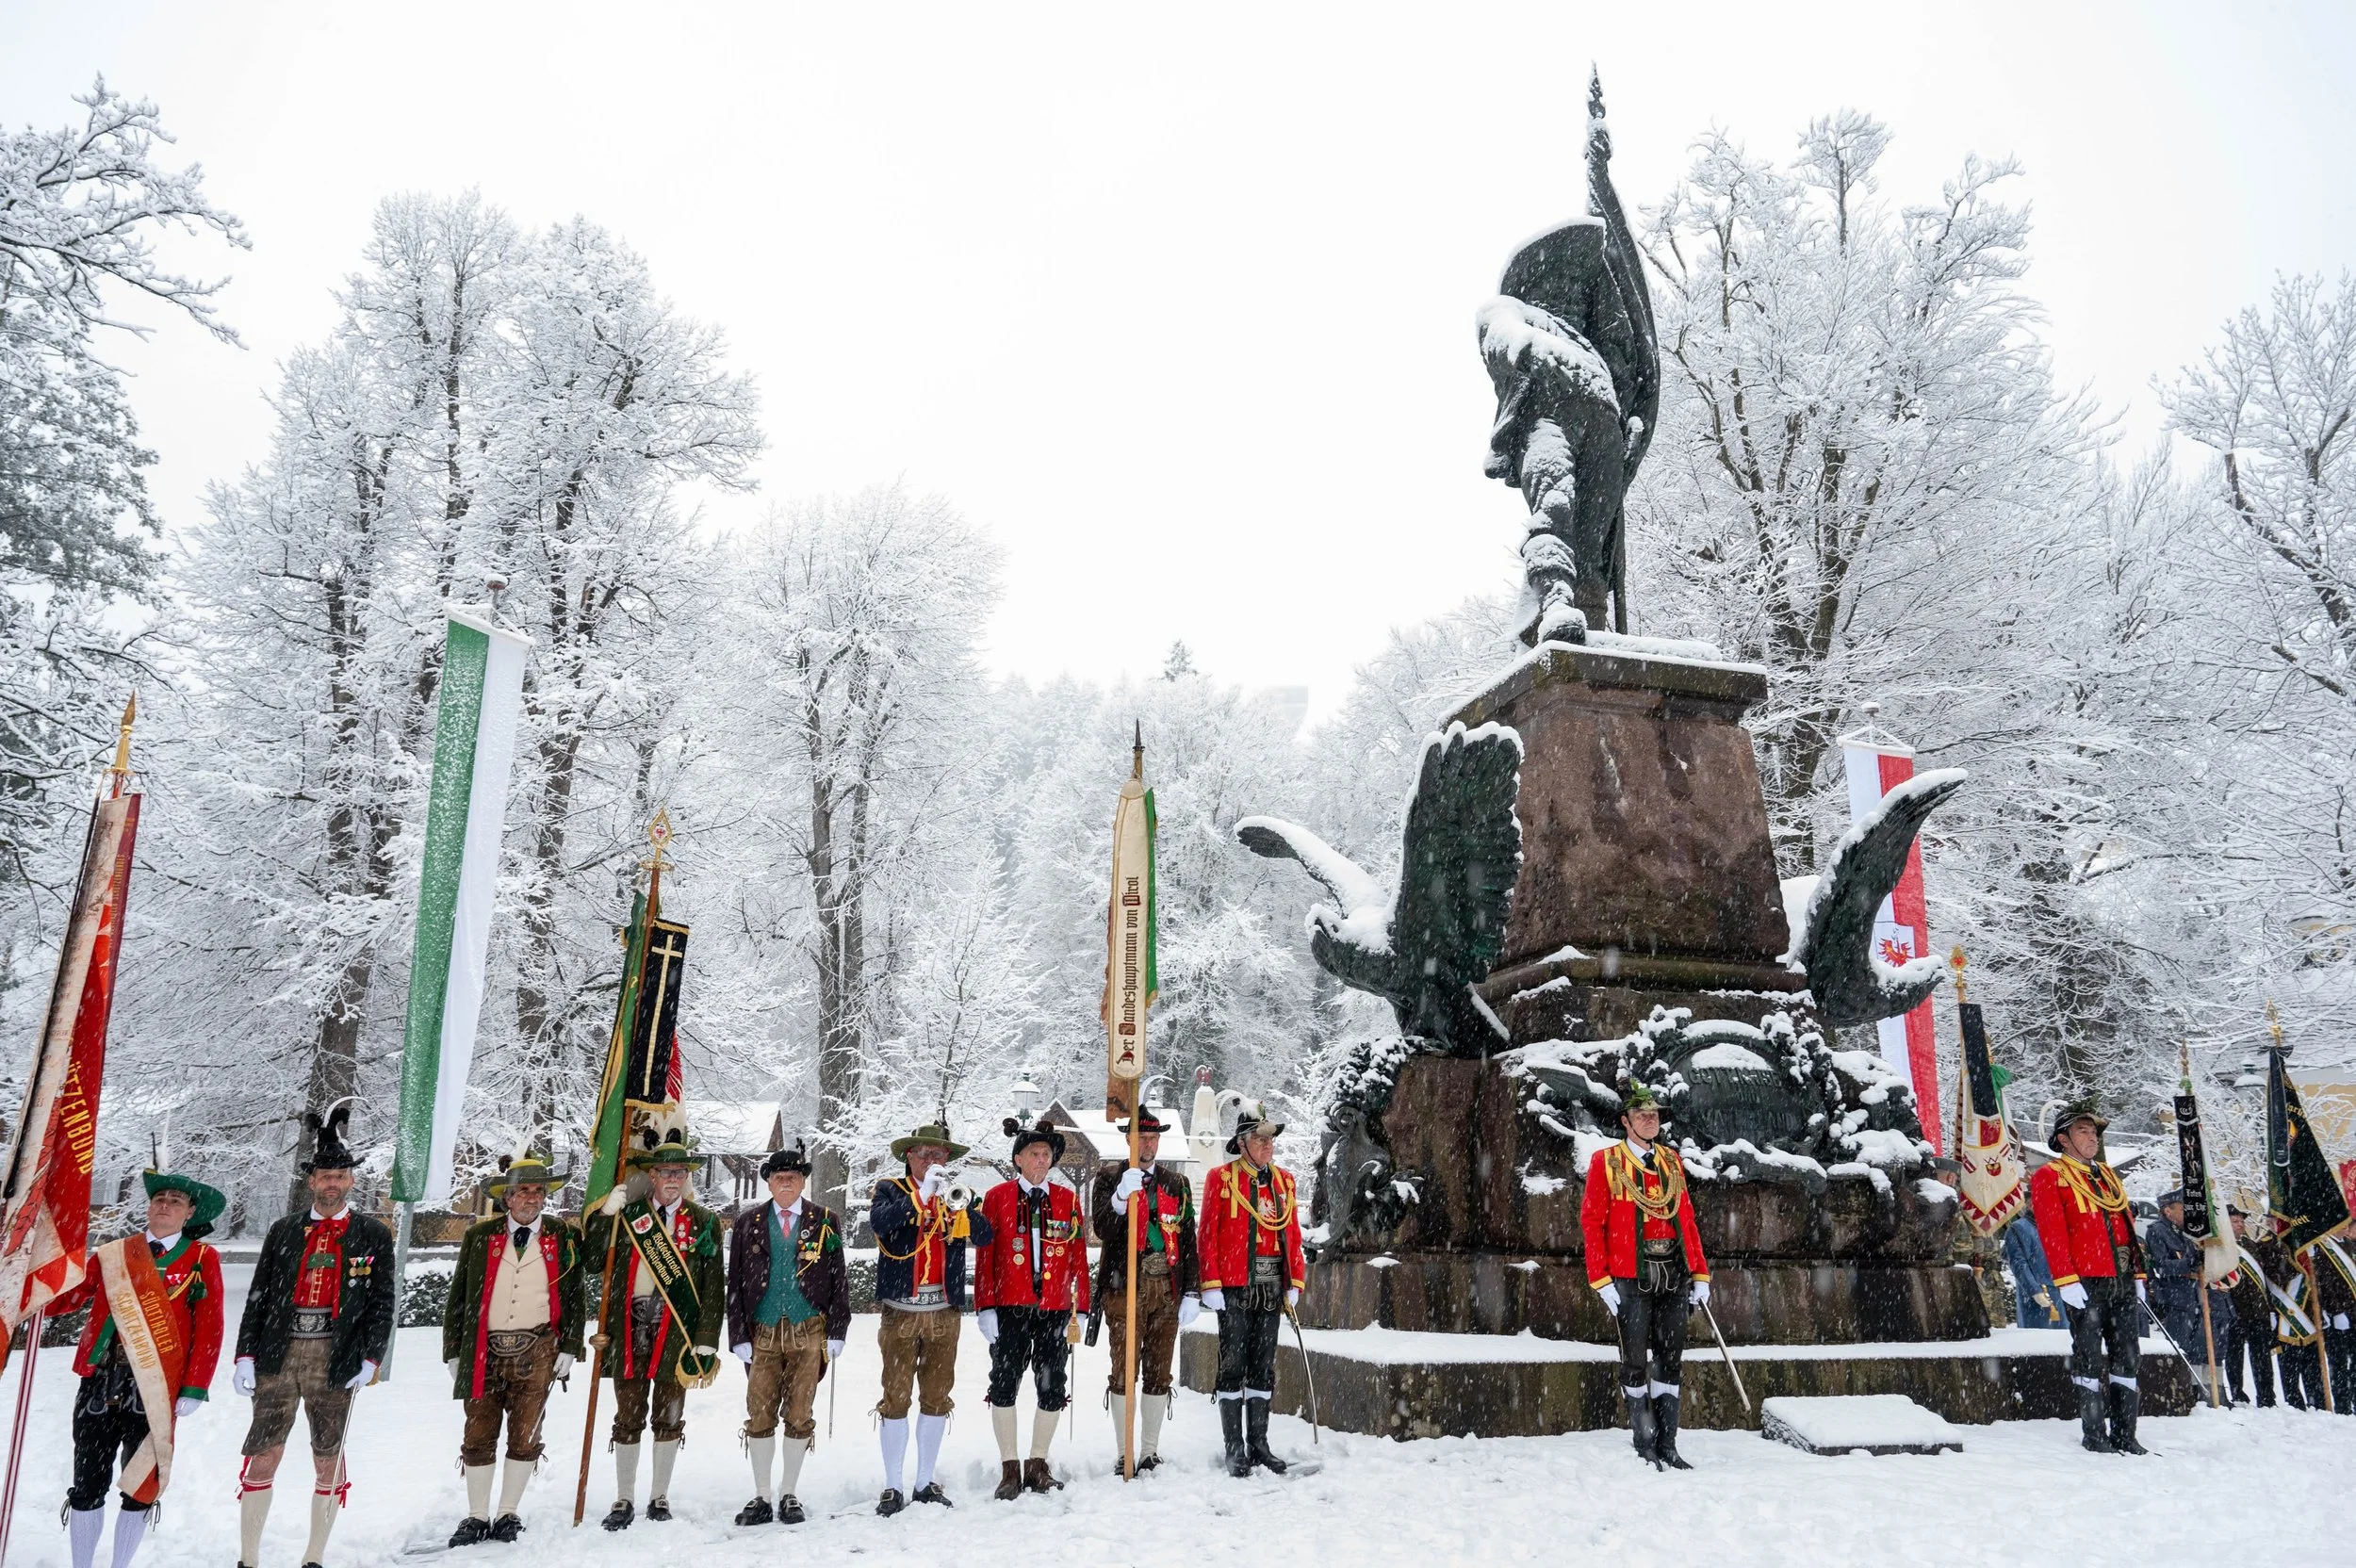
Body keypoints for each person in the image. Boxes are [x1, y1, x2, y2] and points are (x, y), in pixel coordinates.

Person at [233, 1103, 396, 1568]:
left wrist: (371, 1357)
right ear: (311, 1181)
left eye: (339, 1175)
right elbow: (260, 1295)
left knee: (328, 1455)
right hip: (278, 1353)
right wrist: (245, 1354)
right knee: (265, 1452)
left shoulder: (372, 1234)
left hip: (336, 1356)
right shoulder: (284, 1230)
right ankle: (248, 1558)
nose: (331, 1183)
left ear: (351, 1181)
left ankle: (314, 1556)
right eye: (324, 1175)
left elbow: (383, 1301)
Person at [51, 1168, 226, 1568]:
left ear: (190, 1213)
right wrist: (30, 1287)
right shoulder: (113, 1254)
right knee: (87, 1484)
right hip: (100, 1381)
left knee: (141, 1486)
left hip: (157, 1388)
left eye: (175, 1201)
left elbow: (209, 1328)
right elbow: (69, 1297)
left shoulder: (201, 1259)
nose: (164, 1205)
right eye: (159, 1199)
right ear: (148, 1207)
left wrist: (195, 1386)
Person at [438, 1152, 585, 1547]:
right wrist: (453, 1349)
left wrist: (570, 1345)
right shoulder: (479, 1236)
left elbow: (575, 1296)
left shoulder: (563, 1234)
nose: (532, 1198)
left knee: (525, 1433)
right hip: (483, 1349)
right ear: (507, 1197)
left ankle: (507, 1512)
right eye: (523, 1191)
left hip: (538, 1348)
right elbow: (459, 1296)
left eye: (538, 1191)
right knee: (478, 1431)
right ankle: (476, 1515)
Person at [584, 1128, 725, 1530]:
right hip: (628, 1330)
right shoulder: (628, 1216)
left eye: (680, 1172)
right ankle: (624, 1497)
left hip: (676, 1332)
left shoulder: (704, 1222)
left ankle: (659, 1496)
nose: (673, 1179)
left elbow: (713, 1287)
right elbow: (593, 1262)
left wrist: (706, 1340)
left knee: (669, 1416)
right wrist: (604, 1217)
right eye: (666, 1172)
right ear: (653, 1175)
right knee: (628, 1416)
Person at [1579, 1083, 1710, 1471]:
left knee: (1670, 1359)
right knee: (1634, 1361)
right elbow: (1592, 1222)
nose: (1650, 1120)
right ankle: (1644, 1441)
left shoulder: (1671, 1160)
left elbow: (1686, 1218)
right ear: (1626, 1121)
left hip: (1674, 1273)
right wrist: (1600, 1279)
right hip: (1629, 1273)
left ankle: (1668, 1443)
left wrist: (1700, 1273)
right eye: (1641, 1115)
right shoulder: (1607, 1161)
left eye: (1654, 1115)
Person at [867, 1121, 990, 1514]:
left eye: (939, 1155)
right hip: (901, 1311)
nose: (932, 1160)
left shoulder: (957, 1193)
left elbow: (985, 1236)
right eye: (925, 1154)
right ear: (910, 1157)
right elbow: (880, 1223)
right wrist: (921, 1196)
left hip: (943, 1312)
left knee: (937, 1397)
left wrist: (962, 1208)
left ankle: (924, 1481)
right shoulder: (890, 1189)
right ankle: (892, 1485)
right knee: (896, 1396)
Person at [724, 1141, 848, 1526]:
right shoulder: (748, 1222)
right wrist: (738, 1334)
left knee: (799, 1411)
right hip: (761, 1331)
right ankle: (762, 1495)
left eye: (793, 1177)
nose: (786, 1183)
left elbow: (838, 1277)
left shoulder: (824, 1220)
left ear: (803, 1181)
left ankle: (789, 1493)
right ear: (769, 1182)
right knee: (759, 1412)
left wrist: (838, 1329)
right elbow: (735, 1282)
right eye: (779, 1177)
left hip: (808, 1330)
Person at [973, 1118, 1089, 1499]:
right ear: (1018, 1159)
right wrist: (985, 1306)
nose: (1041, 1160)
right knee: (1004, 1384)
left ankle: (1038, 1464)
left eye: (1046, 1154)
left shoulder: (1068, 1200)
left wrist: (1081, 1307)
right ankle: (1009, 1468)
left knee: (1053, 1385)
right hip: (1010, 1307)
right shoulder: (997, 1198)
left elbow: (1077, 1255)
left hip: (1055, 1309)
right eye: (1034, 1153)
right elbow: (986, 1257)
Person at [2027, 1100, 2149, 1454]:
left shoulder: (2108, 1175)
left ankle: (2125, 1433)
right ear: (2063, 1139)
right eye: (2083, 1131)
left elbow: (2126, 1227)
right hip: (2085, 1282)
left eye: (2094, 1132)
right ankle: (2094, 1434)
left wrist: (2138, 1272)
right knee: (2089, 1358)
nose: (2093, 1137)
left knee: (2128, 1355)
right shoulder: (2049, 1176)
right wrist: (2065, 1279)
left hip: (2121, 1278)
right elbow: (2052, 1232)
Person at [1196, 1101, 1305, 1478]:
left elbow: (1293, 1235)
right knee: (1232, 1366)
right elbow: (1208, 1233)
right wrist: (1210, 1283)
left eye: (1270, 1139)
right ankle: (1234, 1446)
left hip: (1272, 1287)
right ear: (1242, 1143)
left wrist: (1295, 1281)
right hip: (1234, 1287)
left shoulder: (1285, 1182)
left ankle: (1259, 1443)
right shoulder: (1222, 1179)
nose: (1268, 1145)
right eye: (1260, 1139)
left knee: (1263, 1366)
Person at [1089, 1108, 1202, 1474]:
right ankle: (1125, 1451)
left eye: (1153, 1138)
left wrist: (1192, 1290)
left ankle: (1149, 1451)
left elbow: (1187, 1240)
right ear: (1128, 1140)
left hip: (1166, 1287)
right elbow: (1103, 1230)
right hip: (1124, 1287)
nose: (1147, 1144)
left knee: (1159, 1370)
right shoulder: (1109, 1178)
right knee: (1124, 1370)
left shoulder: (1176, 1183)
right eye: (1141, 1138)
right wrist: (1120, 1198)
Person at [2143, 1189, 2233, 1401]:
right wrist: (2189, 1262)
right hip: (2176, 1298)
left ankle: (2205, 1393)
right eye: (2183, 1208)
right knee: (2181, 1348)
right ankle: (2181, 1393)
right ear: (2168, 1211)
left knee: (2202, 1348)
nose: (2188, 1213)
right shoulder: (2157, 1231)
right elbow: (2160, 1267)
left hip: (2198, 1295)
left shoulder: (2191, 1232)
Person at [2249, 1227, 2326, 1409]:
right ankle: (2294, 1402)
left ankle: (2318, 1401)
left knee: (2313, 1363)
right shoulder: (2266, 1245)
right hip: (2285, 1313)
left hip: (2308, 1313)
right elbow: (2274, 1276)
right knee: (2290, 1364)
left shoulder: (2307, 1240)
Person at [2221, 1206, 2276, 1407]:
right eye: (2235, 1221)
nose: (2240, 1224)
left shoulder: (2250, 1245)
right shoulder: (2221, 1247)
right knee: (2234, 1356)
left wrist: (2269, 1308)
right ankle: (2238, 1393)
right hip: (2236, 1309)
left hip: (2258, 1309)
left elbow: (2263, 1279)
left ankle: (2267, 1396)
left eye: (2242, 1221)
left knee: (2262, 1356)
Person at [2305, 1233, 2356, 1409]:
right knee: (2339, 1363)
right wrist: (2335, 1311)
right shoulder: (2322, 1247)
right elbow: (2323, 1283)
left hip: (2354, 1313)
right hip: (2337, 1317)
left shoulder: (2350, 1244)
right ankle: (2343, 1405)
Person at [2001, 1212, 2062, 1328]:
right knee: (2040, 1336)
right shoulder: (2020, 1227)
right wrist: (2035, 1291)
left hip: (2064, 1291)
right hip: (2041, 1293)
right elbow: (2018, 1263)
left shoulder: (2057, 1224)